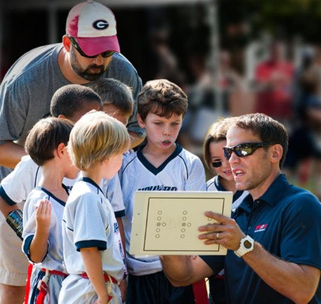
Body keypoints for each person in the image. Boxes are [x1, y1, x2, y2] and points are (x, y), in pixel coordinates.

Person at [160, 113, 321, 303]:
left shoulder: (302, 206)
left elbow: (302, 290)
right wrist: (163, 238)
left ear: (275, 153)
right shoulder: (237, 214)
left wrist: (242, 245)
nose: (232, 160)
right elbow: (184, 276)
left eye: (243, 149)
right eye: (229, 151)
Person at [0, 84, 131, 303]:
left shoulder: (86, 181)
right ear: (64, 149)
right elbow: (5, 199)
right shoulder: (33, 171)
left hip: (81, 279)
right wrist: (29, 228)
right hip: (54, 282)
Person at [0, 0, 145, 183]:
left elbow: (137, 131)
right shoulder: (25, 80)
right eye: (91, 52)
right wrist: (57, 164)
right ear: (68, 44)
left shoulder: (123, 72)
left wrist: (99, 153)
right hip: (24, 193)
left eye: (107, 52)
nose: (99, 61)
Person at [119, 79, 207, 303]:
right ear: (141, 120)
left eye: (175, 124)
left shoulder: (190, 163)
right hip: (136, 274)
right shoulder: (123, 163)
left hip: (177, 275)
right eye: (158, 123)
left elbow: (195, 221)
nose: (167, 132)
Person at [59, 111, 129, 303]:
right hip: (89, 291)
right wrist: (102, 294)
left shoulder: (92, 191)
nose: (122, 159)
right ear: (106, 157)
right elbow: (89, 250)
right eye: (120, 153)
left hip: (95, 286)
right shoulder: (87, 197)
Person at [21, 117, 77, 303]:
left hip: (75, 285)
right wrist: (42, 228)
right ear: (62, 150)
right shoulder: (39, 198)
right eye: (76, 151)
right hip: (51, 287)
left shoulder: (72, 193)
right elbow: (36, 256)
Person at [202, 117, 249, 304]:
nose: (226, 165)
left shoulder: (255, 189)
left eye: (229, 155)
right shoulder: (205, 191)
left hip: (250, 274)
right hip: (217, 277)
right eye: (216, 162)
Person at [284, 50, 321, 205]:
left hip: (296, 134)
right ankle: (320, 189)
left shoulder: (301, 95)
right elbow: (315, 115)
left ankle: (277, 193)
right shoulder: (311, 98)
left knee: (289, 166)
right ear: (316, 85)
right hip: (305, 135)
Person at [254, 40, 295, 123]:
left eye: (279, 50)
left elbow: (292, 85)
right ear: (270, 51)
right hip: (267, 112)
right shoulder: (263, 67)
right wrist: (276, 81)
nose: (277, 53)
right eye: (274, 50)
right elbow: (260, 84)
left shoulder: (289, 67)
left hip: (284, 111)